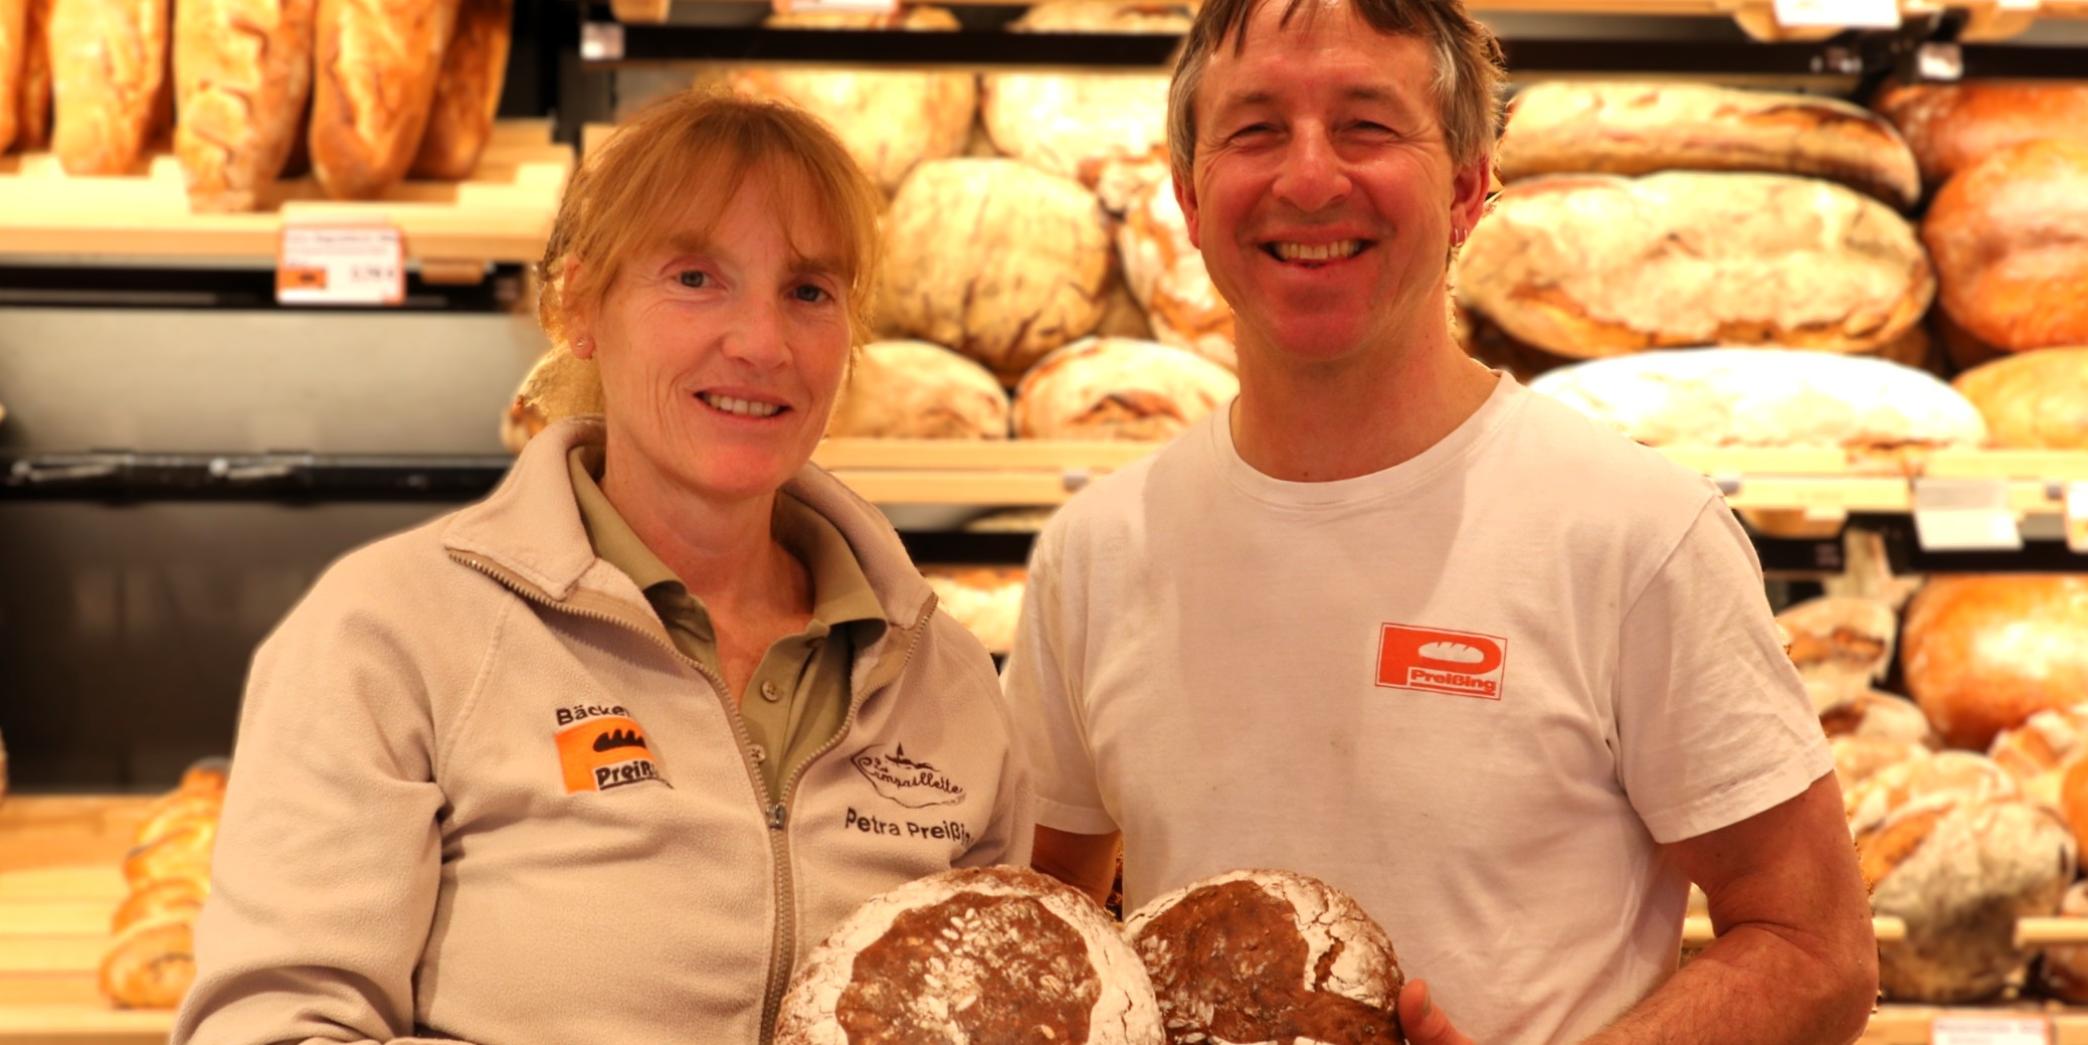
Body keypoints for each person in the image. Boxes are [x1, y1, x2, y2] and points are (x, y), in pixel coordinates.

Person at [1001, 0, 1877, 1041]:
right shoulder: (1097, 552)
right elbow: (1040, 930)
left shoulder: (1636, 535)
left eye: (1367, 126)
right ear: (1189, 195)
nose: (1309, 179)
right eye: (1257, 130)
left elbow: (1815, 948)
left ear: (1466, 187)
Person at [174, 93, 1033, 1045]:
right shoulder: (393, 632)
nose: (762, 342)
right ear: (581, 306)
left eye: (809, 292)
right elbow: (272, 1023)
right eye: (696, 277)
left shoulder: (943, 679)